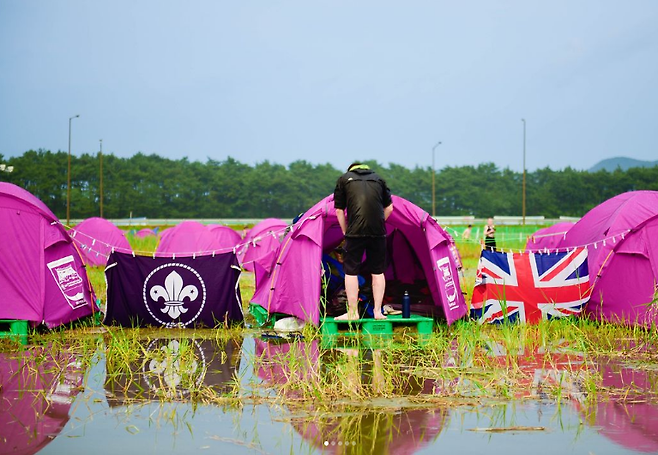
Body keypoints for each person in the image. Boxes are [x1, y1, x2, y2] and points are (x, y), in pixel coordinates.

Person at [333, 162, 393, 321]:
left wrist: (345, 231)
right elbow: (390, 208)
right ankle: (378, 312)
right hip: (378, 232)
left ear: (350, 170)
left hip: (355, 232)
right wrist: (380, 223)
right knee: (378, 271)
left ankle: (353, 313)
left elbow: (339, 210)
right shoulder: (379, 180)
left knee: (351, 271)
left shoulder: (344, 179)